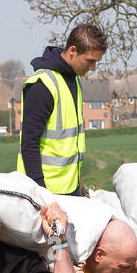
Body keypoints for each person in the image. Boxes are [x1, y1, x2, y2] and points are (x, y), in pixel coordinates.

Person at [18, 24, 106, 196]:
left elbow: (72, 144)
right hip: (44, 192)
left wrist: (78, 184)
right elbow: (29, 144)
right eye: (90, 61)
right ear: (72, 50)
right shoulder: (42, 84)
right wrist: (42, 196)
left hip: (70, 189)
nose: (93, 68)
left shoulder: (74, 81)